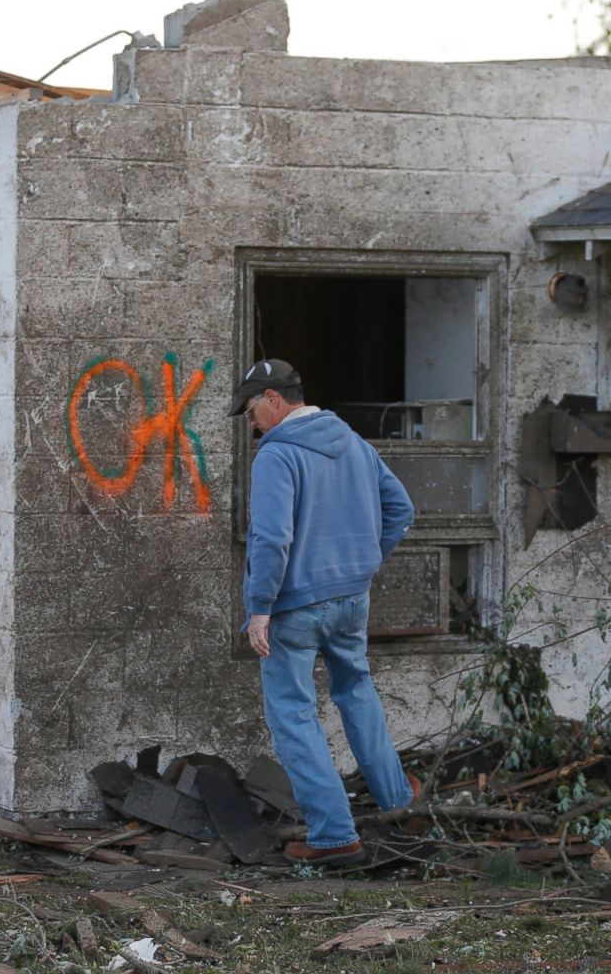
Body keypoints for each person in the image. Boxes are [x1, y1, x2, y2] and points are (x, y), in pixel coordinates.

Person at [230, 358, 419, 866]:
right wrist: (364, 560)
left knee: (292, 715)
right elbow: (401, 509)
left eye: (251, 410)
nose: (251, 423)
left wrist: (259, 609)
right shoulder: (353, 442)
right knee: (356, 690)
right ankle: (398, 800)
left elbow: (271, 539)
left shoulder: (278, 456)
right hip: (351, 598)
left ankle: (335, 836)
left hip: (294, 607)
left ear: (273, 398)